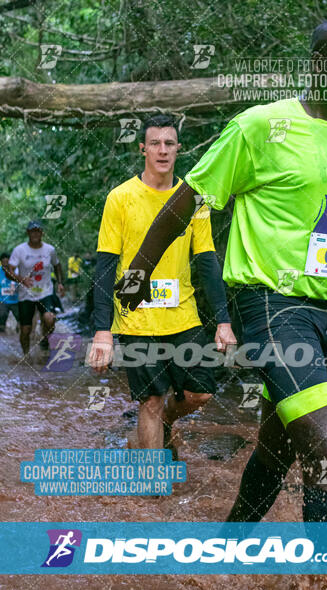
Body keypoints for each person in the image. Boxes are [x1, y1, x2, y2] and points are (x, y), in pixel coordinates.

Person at [113, 19, 327, 522]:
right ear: (319, 64)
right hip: (272, 307)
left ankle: (227, 549)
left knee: (277, 448)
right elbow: (189, 199)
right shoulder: (261, 126)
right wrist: (137, 270)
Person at [89, 114, 236, 453]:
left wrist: (223, 321)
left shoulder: (192, 199)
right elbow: (106, 267)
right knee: (151, 400)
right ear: (143, 149)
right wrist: (103, 331)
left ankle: (169, 420)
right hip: (136, 315)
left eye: (169, 143)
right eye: (154, 143)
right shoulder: (120, 198)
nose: (162, 150)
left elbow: (207, 261)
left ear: (179, 149)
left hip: (183, 314)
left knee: (202, 392)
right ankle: (152, 488)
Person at [6, 220, 65, 354]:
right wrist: (22, 279)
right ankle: (26, 355)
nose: (35, 234)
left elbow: (57, 265)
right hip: (25, 294)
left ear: (42, 233)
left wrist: (60, 283)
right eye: (32, 231)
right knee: (26, 329)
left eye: (38, 231)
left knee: (50, 318)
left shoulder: (50, 250)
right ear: (28, 233)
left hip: (46, 292)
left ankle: (45, 339)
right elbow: (8, 272)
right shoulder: (19, 250)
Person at [0, 253, 19, 332]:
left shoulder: (17, 271)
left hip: (16, 300)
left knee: (21, 321)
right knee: (1, 318)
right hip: (3, 301)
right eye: (3, 263)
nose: (5, 266)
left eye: (7, 263)